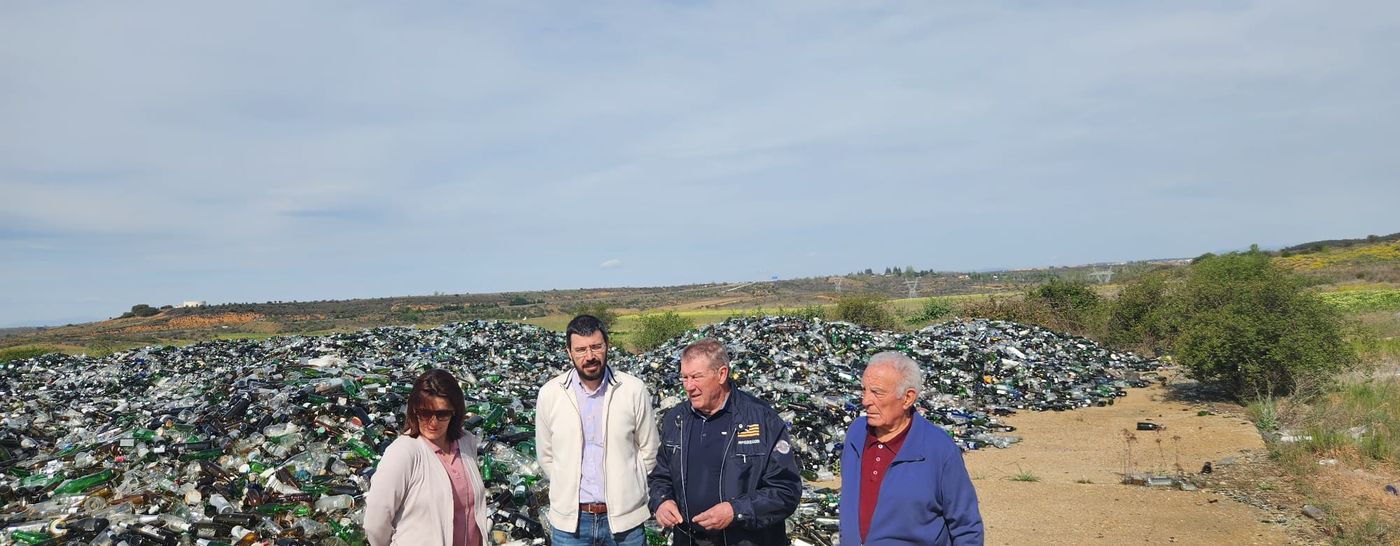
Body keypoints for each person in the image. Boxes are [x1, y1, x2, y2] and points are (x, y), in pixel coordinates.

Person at [648, 338, 801, 546]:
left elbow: (786, 491)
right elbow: (660, 477)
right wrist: (662, 501)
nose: (689, 387)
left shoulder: (762, 419)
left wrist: (735, 511)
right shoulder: (676, 420)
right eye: (684, 377)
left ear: (722, 374)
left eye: (696, 377)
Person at [535, 315, 660, 545]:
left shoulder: (632, 390)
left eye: (596, 347)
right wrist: (566, 486)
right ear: (569, 352)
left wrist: (631, 488)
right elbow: (546, 455)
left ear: (607, 346)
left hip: (625, 525)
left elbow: (649, 449)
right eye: (581, 349)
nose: (590, 356)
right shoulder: (551, 394)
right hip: (571, 526)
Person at [839, 352, 983, 546]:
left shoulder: (938, 449)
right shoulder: (857, 433)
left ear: (907, 398)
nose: (865, 400)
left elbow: (966, 526)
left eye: (877, 392)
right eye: (864, 390)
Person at [365, 369, 489, 546]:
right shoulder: (404, 452)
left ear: (455, 412)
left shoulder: (466, 442)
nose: (433, 423)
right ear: (414, 410)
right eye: (425, 413)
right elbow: (375, 521)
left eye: (442, 414)